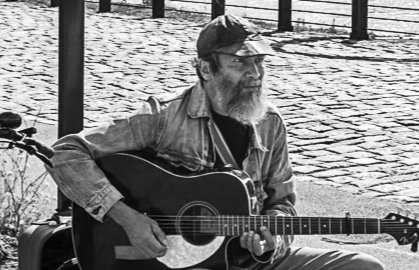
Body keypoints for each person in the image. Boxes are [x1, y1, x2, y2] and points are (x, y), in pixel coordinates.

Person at [48, 14, 384, 270]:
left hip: (248, 261)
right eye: (239, 62)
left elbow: (282, 204)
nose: (255, 74)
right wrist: (126, 217)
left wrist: (271, 241)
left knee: (363, 266)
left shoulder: (270, 122)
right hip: (179, 261)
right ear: (206, 69)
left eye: (258, 62)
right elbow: (67, 152)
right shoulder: (163, 115)